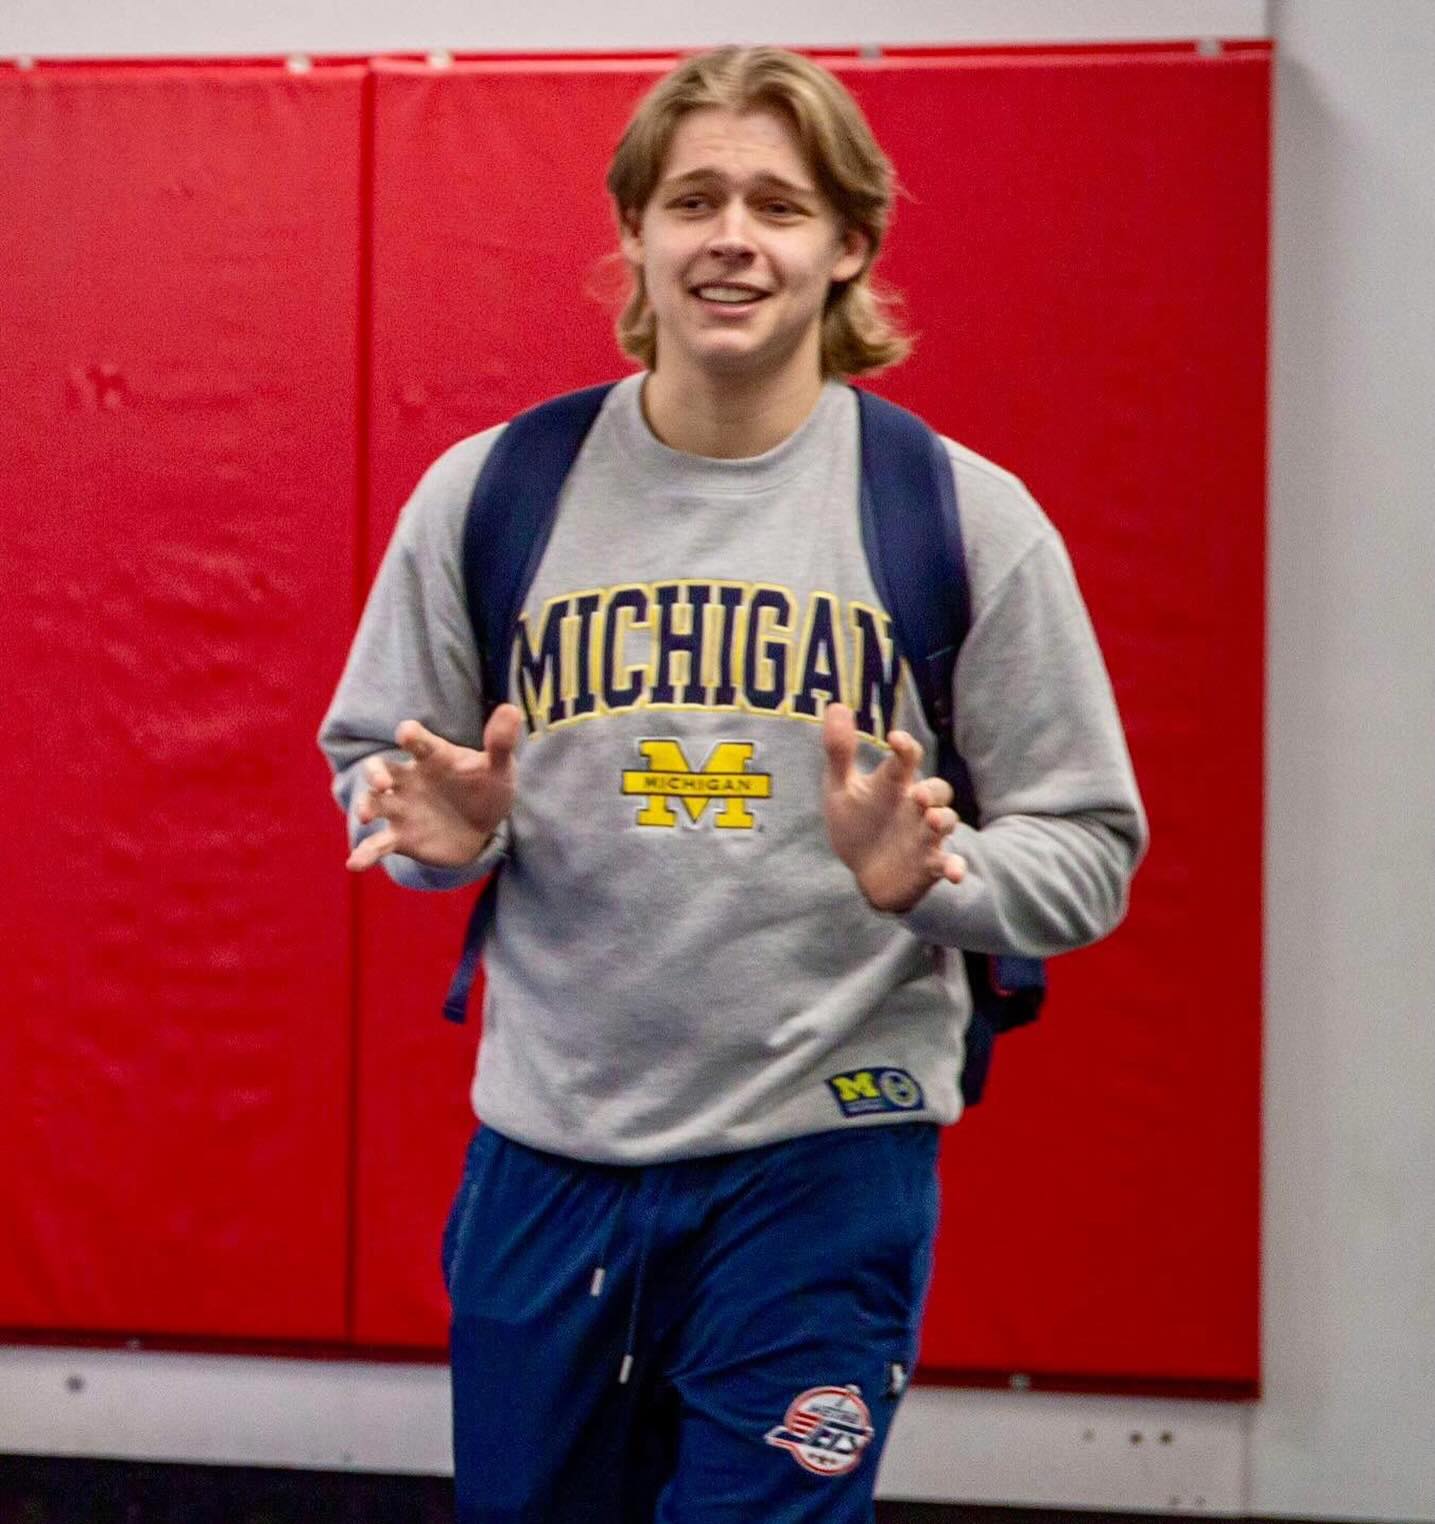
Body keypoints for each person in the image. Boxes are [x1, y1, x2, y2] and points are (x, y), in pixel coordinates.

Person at [318, 44, 1146, 1524]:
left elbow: (1089, 846)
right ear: (635, 230)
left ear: (850, 246)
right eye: (693, 198)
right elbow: (380, 767)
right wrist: (435, 838)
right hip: (548, 1155)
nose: (733, 238)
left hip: (822, 1156)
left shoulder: (959, 518)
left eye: (780, 203)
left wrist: (940, 880)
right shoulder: (493, 492)